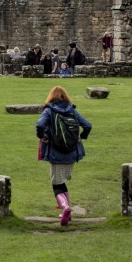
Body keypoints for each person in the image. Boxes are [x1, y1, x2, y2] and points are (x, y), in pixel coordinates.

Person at [36, 86, 92, 226]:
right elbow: (88, 125)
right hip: (72, 152)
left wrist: (42, 136)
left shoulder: (49, 110)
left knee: (56, 183)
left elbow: (40, 125)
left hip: (56, 152)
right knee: (61, 182)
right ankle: (67, 212)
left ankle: (65, 207)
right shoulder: (71, 109)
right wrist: (81, 137)